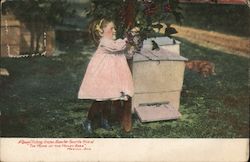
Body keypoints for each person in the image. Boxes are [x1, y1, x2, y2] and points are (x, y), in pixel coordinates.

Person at [78, 18, 134, 134]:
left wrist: (131, 44)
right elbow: (118, 47)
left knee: (109, 99)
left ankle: (104, 120)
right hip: (102, 76)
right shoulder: (104, 42)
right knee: (99, 100)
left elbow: (127, 53)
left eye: (115, 28)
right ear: (101, 32)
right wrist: (130, 37)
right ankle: (88, 121)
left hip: (112, 77)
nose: (114, 31)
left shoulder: (116, 43)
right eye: (111, 29)